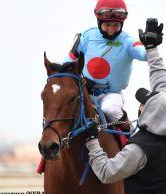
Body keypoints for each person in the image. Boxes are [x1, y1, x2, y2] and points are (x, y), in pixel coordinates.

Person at [83, 18, 166, 194]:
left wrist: (91, 141)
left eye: (143, 103)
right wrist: (152, 48)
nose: (140, 105)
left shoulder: (139, 148)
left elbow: (107, 173)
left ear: (149, 111)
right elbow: (161, 78)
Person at [63, 0, 148, 132]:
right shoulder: (86, 37)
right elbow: (67, 64)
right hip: (84, 92)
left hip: (111, 94)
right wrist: (80, 80)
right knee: (63, 108)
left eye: (116, 25)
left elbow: (144, 55)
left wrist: (150, 46)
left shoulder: (128, 42)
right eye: (107, 24)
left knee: (111, 110)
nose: (111, 30)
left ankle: (132, 136)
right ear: (99, 21)